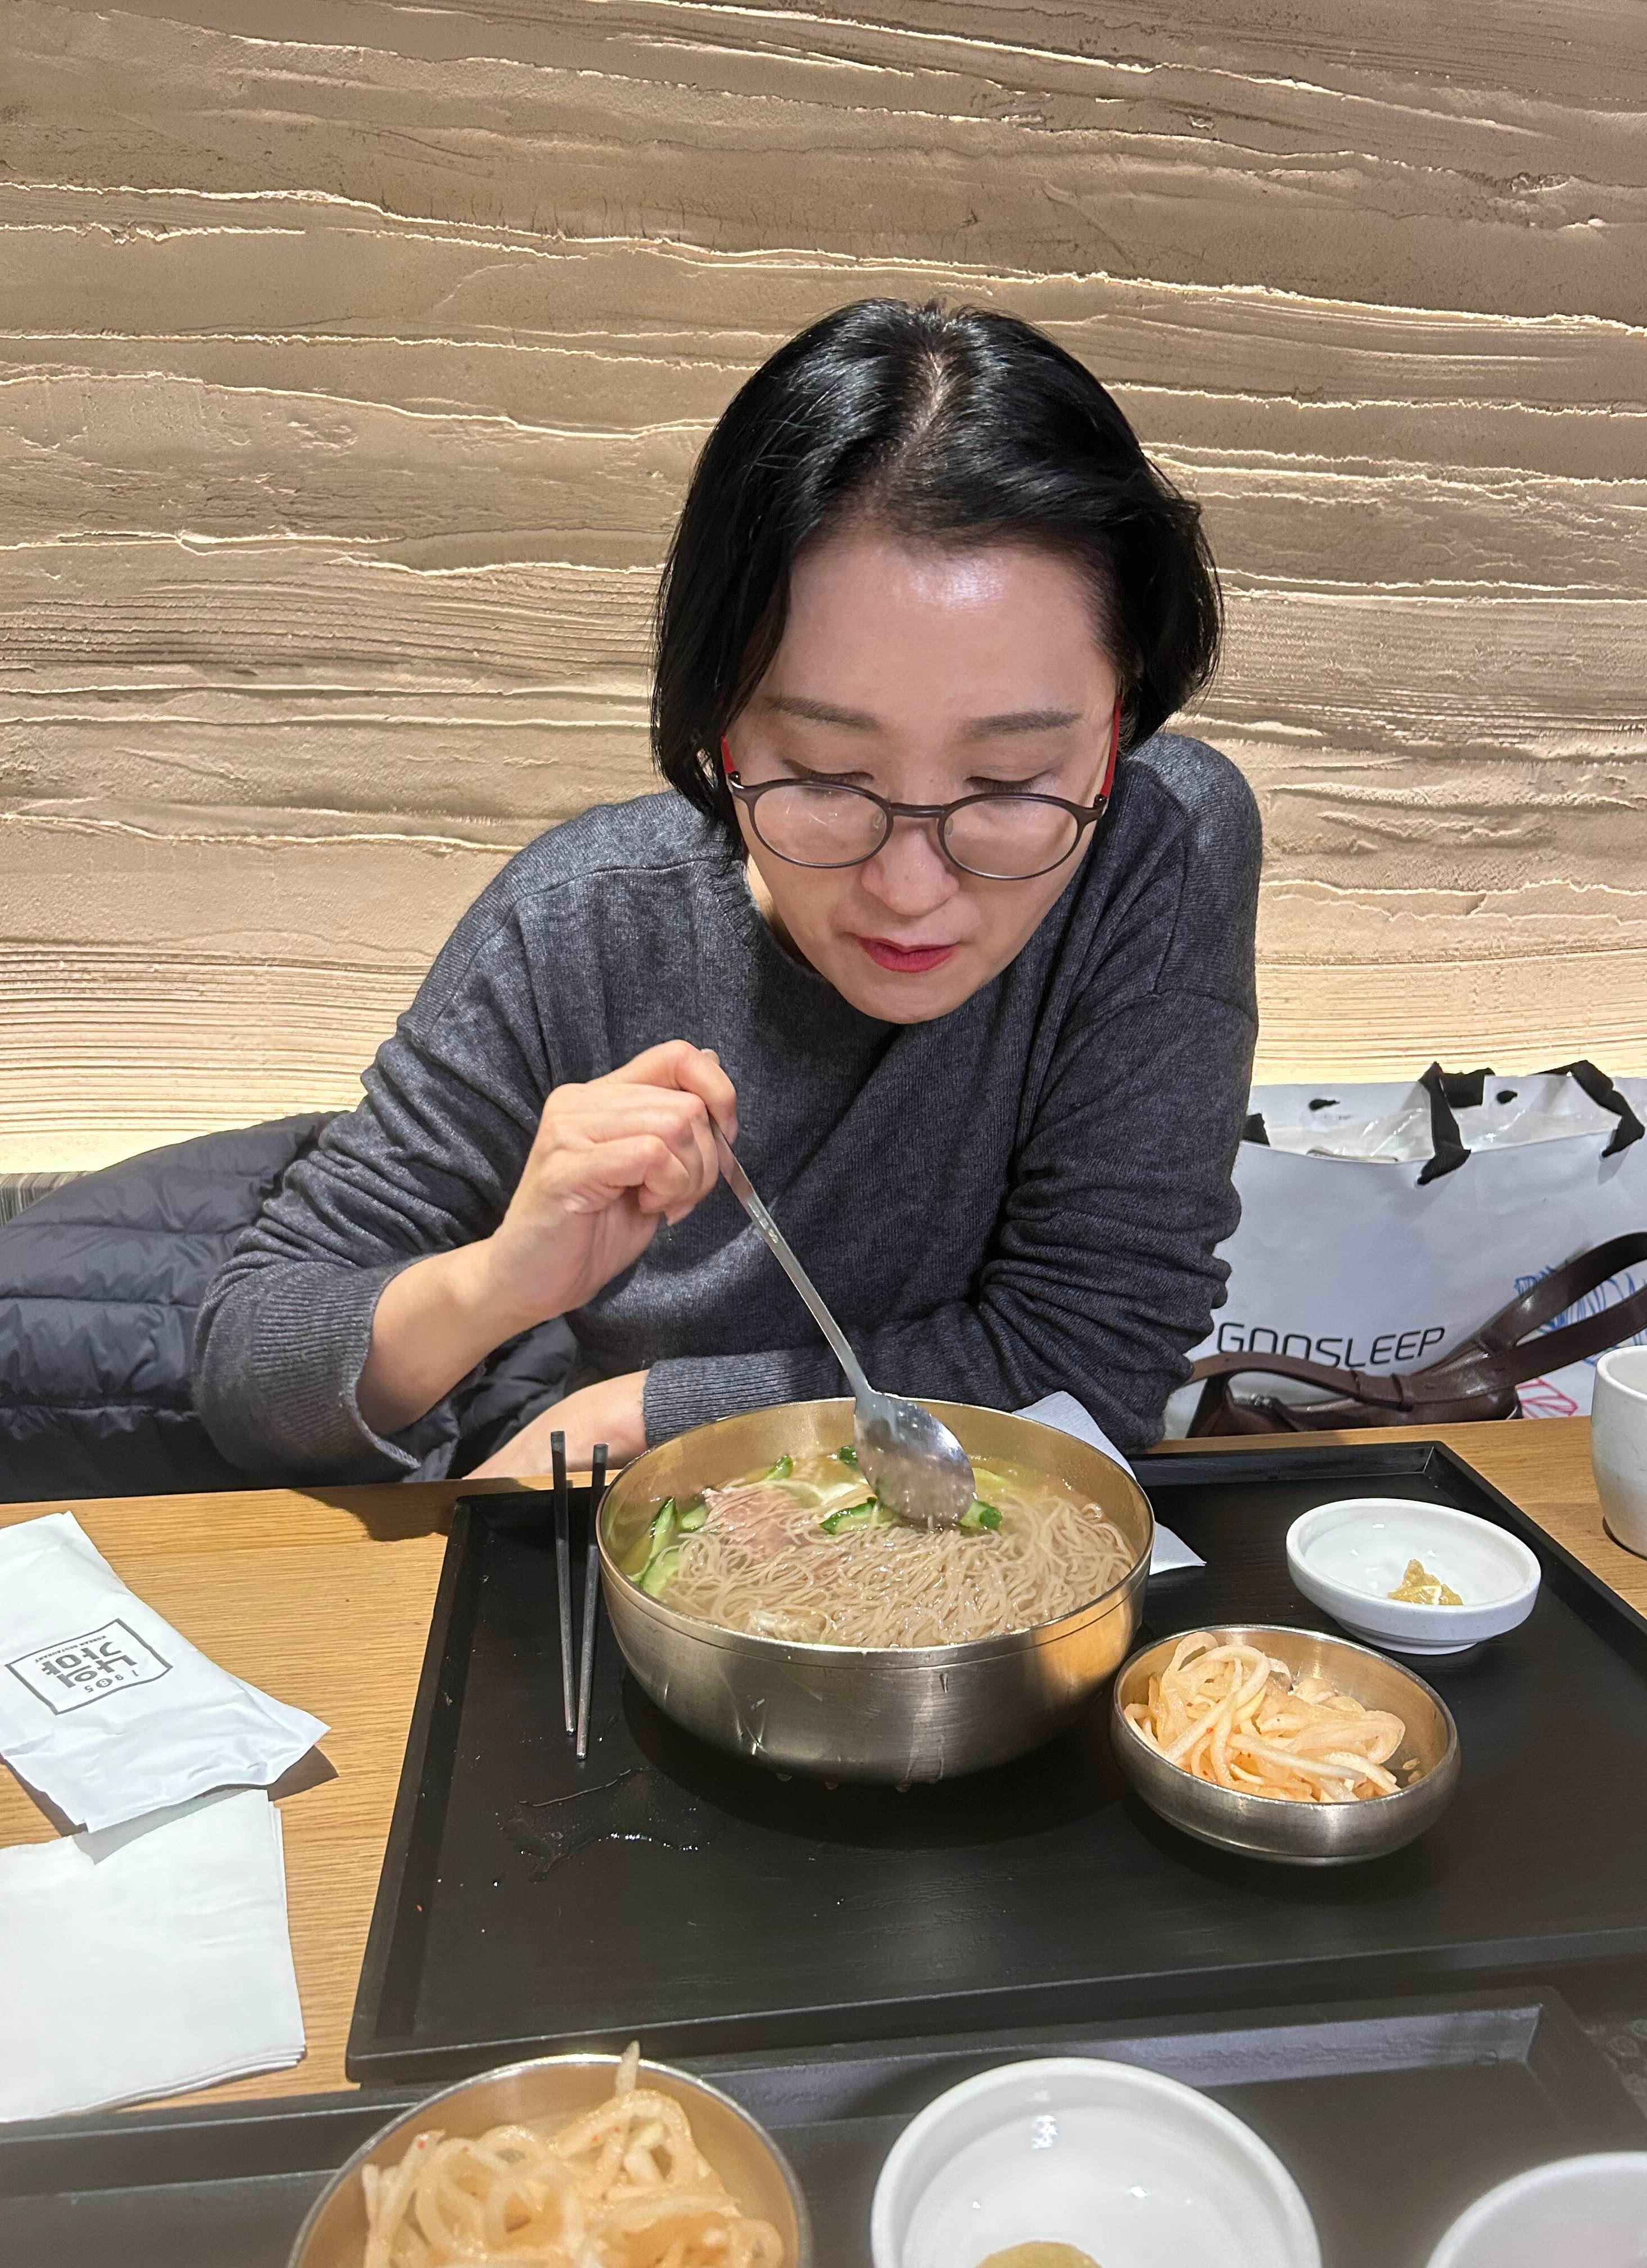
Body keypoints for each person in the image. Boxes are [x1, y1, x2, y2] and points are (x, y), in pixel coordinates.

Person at [194, 298, 1259, 1486]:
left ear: (1117, 731)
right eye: (826, 775)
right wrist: (500, 1281)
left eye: (1010, 781)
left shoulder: (1159, 848)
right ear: (723, 730)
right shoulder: (583, 923)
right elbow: (252, 1373)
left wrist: (637, 1412)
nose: (911, 888)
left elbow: (1092, 1356)